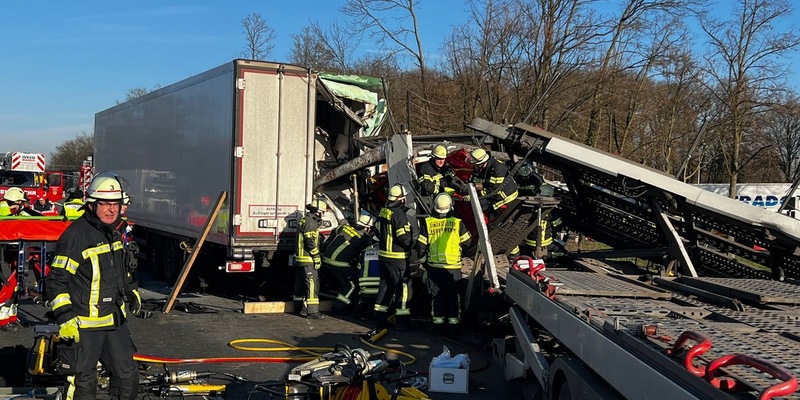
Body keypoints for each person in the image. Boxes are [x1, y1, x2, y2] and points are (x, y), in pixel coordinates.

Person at [45, 172, 140, 399]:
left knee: (128, 376)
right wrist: (65, 317)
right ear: (91, 204)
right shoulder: (76, 236)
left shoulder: (115, 232)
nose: (111, 210)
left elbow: (122, 268)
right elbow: (56, 281)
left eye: (115, 204)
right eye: (105, 204)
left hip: (113, 321)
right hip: (83, 325)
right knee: (83, 383)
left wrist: (130, 289)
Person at [417, 193, 471, 331]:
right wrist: (459, 252)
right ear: (450, 206)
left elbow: (421, 245)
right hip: (453, 267)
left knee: (437, 296)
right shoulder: (457, 223)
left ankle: (438, 324)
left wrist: (422, 260)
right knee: (453, 296)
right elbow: (467, 242)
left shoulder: (428, 223)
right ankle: (453, 324)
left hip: (434, 266)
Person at [373, 184, 415, 330]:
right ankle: (402, 322)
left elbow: (377, 231)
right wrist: (413, 244)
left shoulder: (384, 211)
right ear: (401, 198)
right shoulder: (398, 214)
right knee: (403, 288)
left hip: (384, 257)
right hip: (397, 258)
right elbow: (404, 238)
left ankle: (379, 317)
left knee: (386, 286)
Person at [321, 213, 375, 313]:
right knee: (352, 285)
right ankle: (338, 308)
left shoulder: (345, 228)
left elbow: (336, 230)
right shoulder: (363, 240)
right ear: (367, 228)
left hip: (326, 259)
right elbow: (366, 255)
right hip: (339, 263)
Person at [294, 199, 327, 320]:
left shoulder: (305, 219)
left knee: (300, 283)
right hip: (308, 258)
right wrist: (317, 256)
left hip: (301, 258)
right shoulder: (311, 223)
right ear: (318, 212)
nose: (323, 214)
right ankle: (312, 311)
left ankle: (298, 307)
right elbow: (310, 242)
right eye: (322, 212)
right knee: (312, 283)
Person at [467, 148, 519, 218]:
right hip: (494, 193)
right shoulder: (487, 166)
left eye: (474, 165)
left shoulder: (498, 169)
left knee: (494, 218)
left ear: (481, 164)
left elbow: (494, 190)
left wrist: (474, 196)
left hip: (506, 198)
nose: (473, 167)